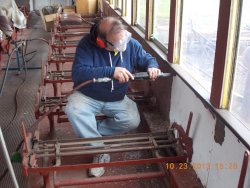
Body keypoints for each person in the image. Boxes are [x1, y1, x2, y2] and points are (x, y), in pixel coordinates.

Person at [65, 16, 161, 177]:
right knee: (73, 110)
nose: (123, 47)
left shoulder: (129, 43)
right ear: (102, 42)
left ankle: (90, 132)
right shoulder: (86, 45)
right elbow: (78, 73)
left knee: (132, 120)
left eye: (124, 40)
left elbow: (147, 58)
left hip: (117, 97)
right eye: (118, 44)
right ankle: (99, 151)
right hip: (88, 95)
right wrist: (110, 71)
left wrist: (152, 66)